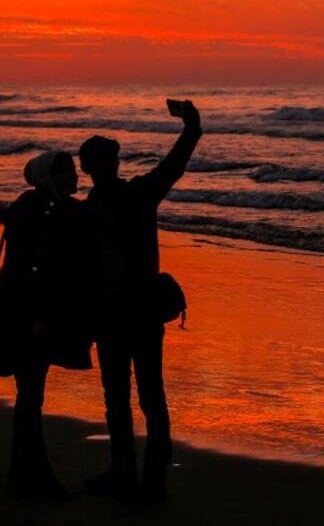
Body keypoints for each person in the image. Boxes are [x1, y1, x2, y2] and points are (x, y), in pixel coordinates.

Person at [79, 100, 202, 500]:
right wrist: (192, 126)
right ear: (107, 164)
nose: (108, 166)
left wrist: (193, 127)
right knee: (145, 395)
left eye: (106, 160)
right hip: (132, 315)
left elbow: (174, 165)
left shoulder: (98, 207)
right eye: (107, 160)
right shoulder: (134, 196)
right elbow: (174, 166)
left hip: (120, 316)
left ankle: (131, 473)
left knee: (125, 396)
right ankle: (145, 477)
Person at [0, 150, 94, 501]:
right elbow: (34, 270)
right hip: (29, 317)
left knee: (29, 396)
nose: (75, 178)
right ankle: (32, 477)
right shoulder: (47, 212)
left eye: (75, 171)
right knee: (31, 396)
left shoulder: (29, 206)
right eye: (66, 173)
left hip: (14, 311)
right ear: (49, 177)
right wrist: (39, 318)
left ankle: (24, 474)